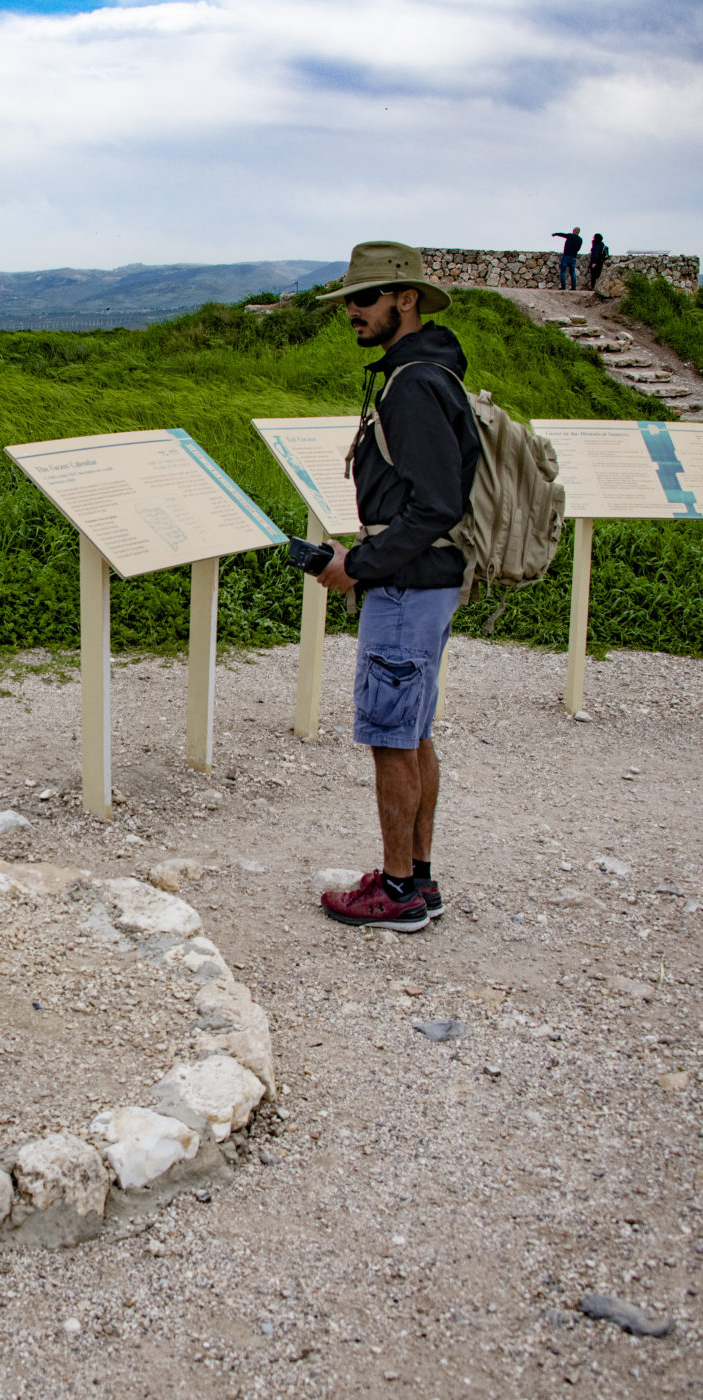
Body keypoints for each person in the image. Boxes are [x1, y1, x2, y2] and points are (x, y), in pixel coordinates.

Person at [310, 241, 480, 932]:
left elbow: (436, 504)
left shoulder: (412, 384)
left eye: (364, 298)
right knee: (412, 732)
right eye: (348, 300)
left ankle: (398, 890)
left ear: (405, 299)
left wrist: (359, 564)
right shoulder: (429, 372)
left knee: (391, 735)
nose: (352, 311)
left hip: (408, 585)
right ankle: (419, 879)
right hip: (423, 579)